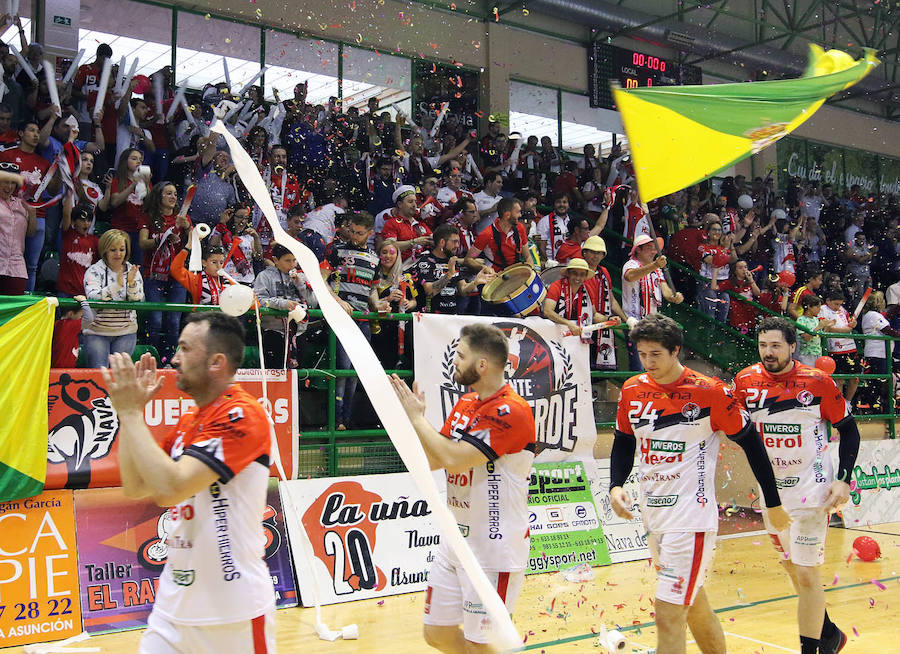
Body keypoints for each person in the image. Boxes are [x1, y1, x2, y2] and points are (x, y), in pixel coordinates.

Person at [609, 314, 789, 654]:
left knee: (667, 614)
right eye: (642, 354)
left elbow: (752, 444)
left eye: (655, 355)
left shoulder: (711, 393)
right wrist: (616, 484)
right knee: (695, 605)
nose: (647, 362)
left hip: (690, 520)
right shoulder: (633, 389)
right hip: (654, 518)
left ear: (676, 350)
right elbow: (623, 440)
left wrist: (774, 501)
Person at [101, 313, 277, 653]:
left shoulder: (244, 414)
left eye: (184, 348)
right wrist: (128, 414)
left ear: (216, 362)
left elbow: (171, 489)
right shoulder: (188, 421)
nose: (174, 358)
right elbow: (135, 485)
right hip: (172, 611)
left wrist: (134, 414)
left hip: (233, 617)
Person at [389, 323, 536, 652]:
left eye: (461, 355)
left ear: (481, 365)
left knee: (482, 644)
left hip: (494, 550)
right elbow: (434, 459)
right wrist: (414, 420)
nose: (454, 361)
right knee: (437, 633)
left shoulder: (512, 411)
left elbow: (455, 460)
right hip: (456, 541)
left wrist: (417, 420)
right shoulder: (466, 404)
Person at [735, 317, 861, 654]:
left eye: (776, 345)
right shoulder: (745, 381)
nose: (768, 352)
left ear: (793, 346)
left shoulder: (817, 382)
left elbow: (849, 429)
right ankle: (830, 634)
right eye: (763, 345)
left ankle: (813, 649)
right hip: (772, 495)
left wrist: (844, 480)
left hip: (812, 492)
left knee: (806, 574)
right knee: (793, 570)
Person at [320, 212, 381, 430]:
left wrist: (379, 305)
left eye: (360, 233)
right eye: (352, 231)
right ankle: (336, 420)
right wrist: (337, 301)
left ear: (370, 233)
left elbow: (372, 289)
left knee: (356, 371)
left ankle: (346, 420)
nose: (354, 236)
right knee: (343, 369)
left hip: (363, 319)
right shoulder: (336, 250)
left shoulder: (375, 258)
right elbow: (321, 280)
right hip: (341, 318)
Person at [139, 183, 191, 363]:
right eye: (168, 193)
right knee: (155, 321)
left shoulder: (182, 218)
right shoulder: (149, 216)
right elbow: (142, 243)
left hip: (177, 276)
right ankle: (152, 359)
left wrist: (189, 229)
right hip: (154, 275)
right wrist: (161, 238)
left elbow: (194, 244)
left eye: (175, 194)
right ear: (159, 197)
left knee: (174, 322)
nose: (173, 197)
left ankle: (170, 361)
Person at [82, 229, 145, 368]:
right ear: (105, 251)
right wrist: (117, 285)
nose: (118, 254)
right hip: (97, 332)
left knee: (119, 374)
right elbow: (93, 297)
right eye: (113, 250)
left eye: (122, 249)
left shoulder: (133, 270)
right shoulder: (94, 270)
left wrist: (131, 283)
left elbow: (138, 299)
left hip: (126, 331)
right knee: (99, 373)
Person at [621, 234, 683, 370]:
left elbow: (665, 291)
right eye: (649, 248)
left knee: (652, 365)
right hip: (634, 323)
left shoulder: (657, 269)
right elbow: (630, 276)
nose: (654, 251)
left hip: (652, 323)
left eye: (655, 248)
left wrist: (675, 297)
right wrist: (654, 265)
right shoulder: (631, 264)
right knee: (639, 366)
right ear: (638, 250)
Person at [254, 243, 318, 369]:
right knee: (274, 371)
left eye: (294, 260)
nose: (292, 264)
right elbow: (260, 300)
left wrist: (300, 285)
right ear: (275, 260)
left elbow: (313, 303)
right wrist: (282, 304)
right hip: (274, 331)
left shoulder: (302, 276)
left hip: (298, 332)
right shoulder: (265, 276)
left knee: (297, 374)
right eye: (288, 260)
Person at [543, 258, 618, 340]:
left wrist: (609, 319)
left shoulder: (588, 289)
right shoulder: (557, 286)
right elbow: (547, 311)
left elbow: (594, 315)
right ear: (568, 273)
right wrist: (568, 324)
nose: (578, 278)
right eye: (575, 273)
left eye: (582, 274)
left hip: (577, 335)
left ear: (586, 276)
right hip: (554, 333)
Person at [99, 147, 150, 264]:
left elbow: (150, 204)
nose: (138, 162)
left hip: (139, 231)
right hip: (121, 229)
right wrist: (132, 185)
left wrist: (146, 185)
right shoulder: (117, 181)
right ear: (125, 161)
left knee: (138, 266)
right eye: (134, 158)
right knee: (118, 264)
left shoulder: (144, 182)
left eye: (140, 160)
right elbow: (114, 202)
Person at [817, 289, 860, 403]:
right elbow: (826, 327)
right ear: (828, 301)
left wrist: (852, 324)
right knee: (838, 379)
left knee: (855, 378)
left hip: (850, 347)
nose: (838, 307)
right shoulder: (822, 310)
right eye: (836, 304)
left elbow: (849, 323)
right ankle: (839, 404)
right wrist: (846, 329)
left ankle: (848, 403)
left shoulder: (842, 310)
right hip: (835, 349)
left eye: (840, 304)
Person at [0, 161, 35, 295]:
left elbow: (31, 233)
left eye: (13, 182)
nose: (9, 186)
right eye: (5, 181)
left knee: (15, 314)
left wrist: (32, 213)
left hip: (17, 267)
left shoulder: (22, 204)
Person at [58, 201, 98, 297]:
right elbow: (66, 214)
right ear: (73, 221)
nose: (86, 224)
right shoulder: (68, 234)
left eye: (88, 221)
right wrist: (69, 193)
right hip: (66, 289)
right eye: (82, 220)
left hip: (85, 291)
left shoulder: (95, 241)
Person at [170, 238, 227, 306]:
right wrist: (187, 248)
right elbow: (176, 269)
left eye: (221, 263)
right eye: (214, 262)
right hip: (202, 316)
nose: (218, 266)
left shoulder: (228, 280)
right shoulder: (195, 280)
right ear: (203, 263)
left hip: (224, 316)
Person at [714, 260, 761, 335]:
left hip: (750, 317)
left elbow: (758, 294)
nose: (744, 270)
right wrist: (715, 272)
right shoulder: (730, 282)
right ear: (735, 271)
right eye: (740, 268)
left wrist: (751, 280)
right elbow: (714, 287)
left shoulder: (749, 281)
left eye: (745, 267)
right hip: (737, 318)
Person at [795, 295, 833, 367]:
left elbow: (821, 334)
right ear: (809, 306)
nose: (819, 309)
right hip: (806, 354)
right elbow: (805, 338)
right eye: (817, 307)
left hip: (818, 353)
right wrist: (818, 327)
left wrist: (828, 326)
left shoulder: (815, 319)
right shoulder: (801, 320)